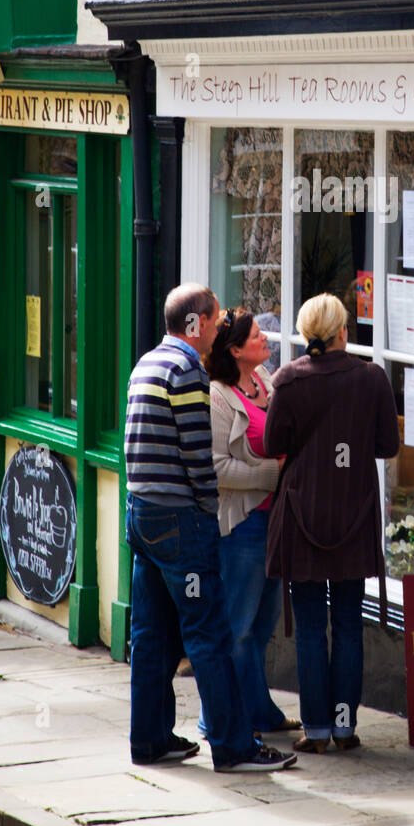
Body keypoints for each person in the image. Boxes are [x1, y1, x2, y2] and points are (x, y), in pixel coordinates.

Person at [124, 282, 296, 772]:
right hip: (181, 521)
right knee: (210, 634)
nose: (221, 328)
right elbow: (199, 459)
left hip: (142, 514)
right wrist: (205, 513)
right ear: (195, 323)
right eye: (217, 319)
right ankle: (234, 746)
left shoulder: (147, 364)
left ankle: (150, 740)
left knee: (151, 636)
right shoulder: (187, 372)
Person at [263, 293, 400, 753]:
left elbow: (272, 444)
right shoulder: (371, 378)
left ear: (305, 334)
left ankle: (318, 730)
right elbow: (387, 446)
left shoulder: (288, 380)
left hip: (302, 512)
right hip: (353, 513)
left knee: (308, 628)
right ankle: (344, 728)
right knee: (347, 625)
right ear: (344, 331)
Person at [203, 308, 300, 735]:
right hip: (242, 526)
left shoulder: (263, 380)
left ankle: (258, 711)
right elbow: (216, 467)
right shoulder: (218, 397)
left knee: (262, 627)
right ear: (235, 350)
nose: (266, 340)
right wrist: (271, 474)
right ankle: (222, 719)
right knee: (237, 628)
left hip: (275, 522)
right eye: (258, 335)